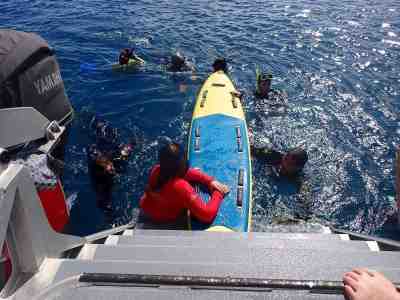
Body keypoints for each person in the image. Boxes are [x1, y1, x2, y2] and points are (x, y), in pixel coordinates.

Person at [139, 141, 229, 226]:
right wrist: (218, 193)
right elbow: (207, 215)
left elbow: (186, 172)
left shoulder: (157, 170)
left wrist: (210, 180)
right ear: (182, 167)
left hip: (145, 211)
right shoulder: (181, 187)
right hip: (160, 223)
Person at [87, 116, 135, 211]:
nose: (111, 168)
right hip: (100, 170)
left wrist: (131, 145)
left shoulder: (115, 153)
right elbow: (93, 153)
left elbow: (128, 148)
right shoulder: (99, 178)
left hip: (108, 152)